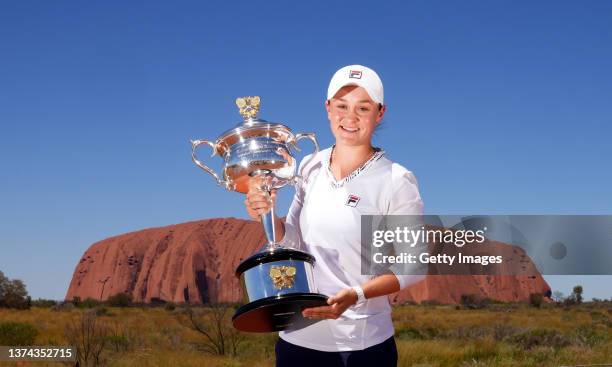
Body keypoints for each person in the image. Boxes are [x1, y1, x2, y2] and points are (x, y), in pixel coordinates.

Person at [244, 65, 425, 367]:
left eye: (362, 108)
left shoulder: (395, 179)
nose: (350, 118)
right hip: (297, 339)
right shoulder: (309, 166)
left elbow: (414, 266)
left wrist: (356, 294)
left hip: (361, 346)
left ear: (379, 113)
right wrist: (267, 213)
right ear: (328, 108)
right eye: (341, 106)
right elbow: (292, 239)